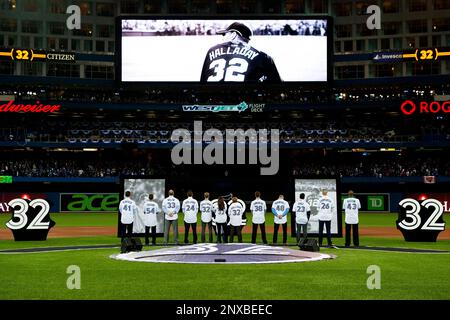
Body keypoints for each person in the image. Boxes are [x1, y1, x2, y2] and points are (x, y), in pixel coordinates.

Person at [200, 22, 282, 83]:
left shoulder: (212, 50)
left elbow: (202, 82)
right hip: (244, 103)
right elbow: (277, 85)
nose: (223, 38)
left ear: (234, 35)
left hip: (214, 100)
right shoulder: (263, 56)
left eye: (224, 34)